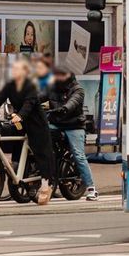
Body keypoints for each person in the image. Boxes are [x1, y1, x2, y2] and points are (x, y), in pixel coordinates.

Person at [0, 56, 54, 206]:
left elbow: (29, 103)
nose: (14, 71)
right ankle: (13, 165)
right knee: (6, 134)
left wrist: (20, 115)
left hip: (36, 123)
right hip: (20, 121)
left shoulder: (30, 85)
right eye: (13, 68)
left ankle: (45, 184)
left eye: (17, 69)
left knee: (41, 152)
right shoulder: (10, 85)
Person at [48, 64, 98, 201]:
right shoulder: (51, 88)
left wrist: (65, 108)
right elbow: (38, 98)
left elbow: (73, 102)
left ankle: (91, 188)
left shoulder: (78, 90)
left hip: (74, 125)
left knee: (79, 155)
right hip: (56, 123)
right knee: (41, 138)